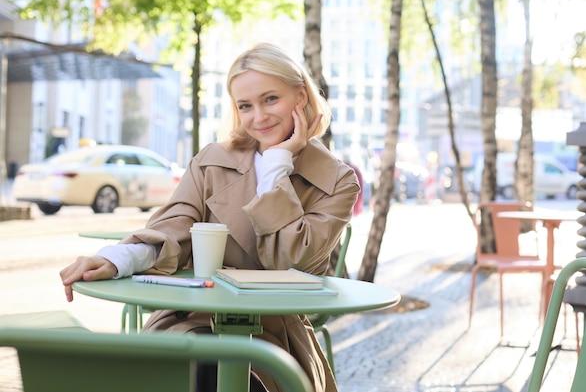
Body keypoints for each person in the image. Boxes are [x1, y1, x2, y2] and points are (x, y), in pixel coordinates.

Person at [59, 42, 360, 392]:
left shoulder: (337, 180)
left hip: (274, 334)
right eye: (245, 106)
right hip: (193, 320)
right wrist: (114, 259)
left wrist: (277, 166)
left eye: (270, 99)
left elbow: (291, 262)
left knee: (248, 375)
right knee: (192, 364)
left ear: (301, 97)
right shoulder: (212, 161)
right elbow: (173, 227)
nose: (258, 117)